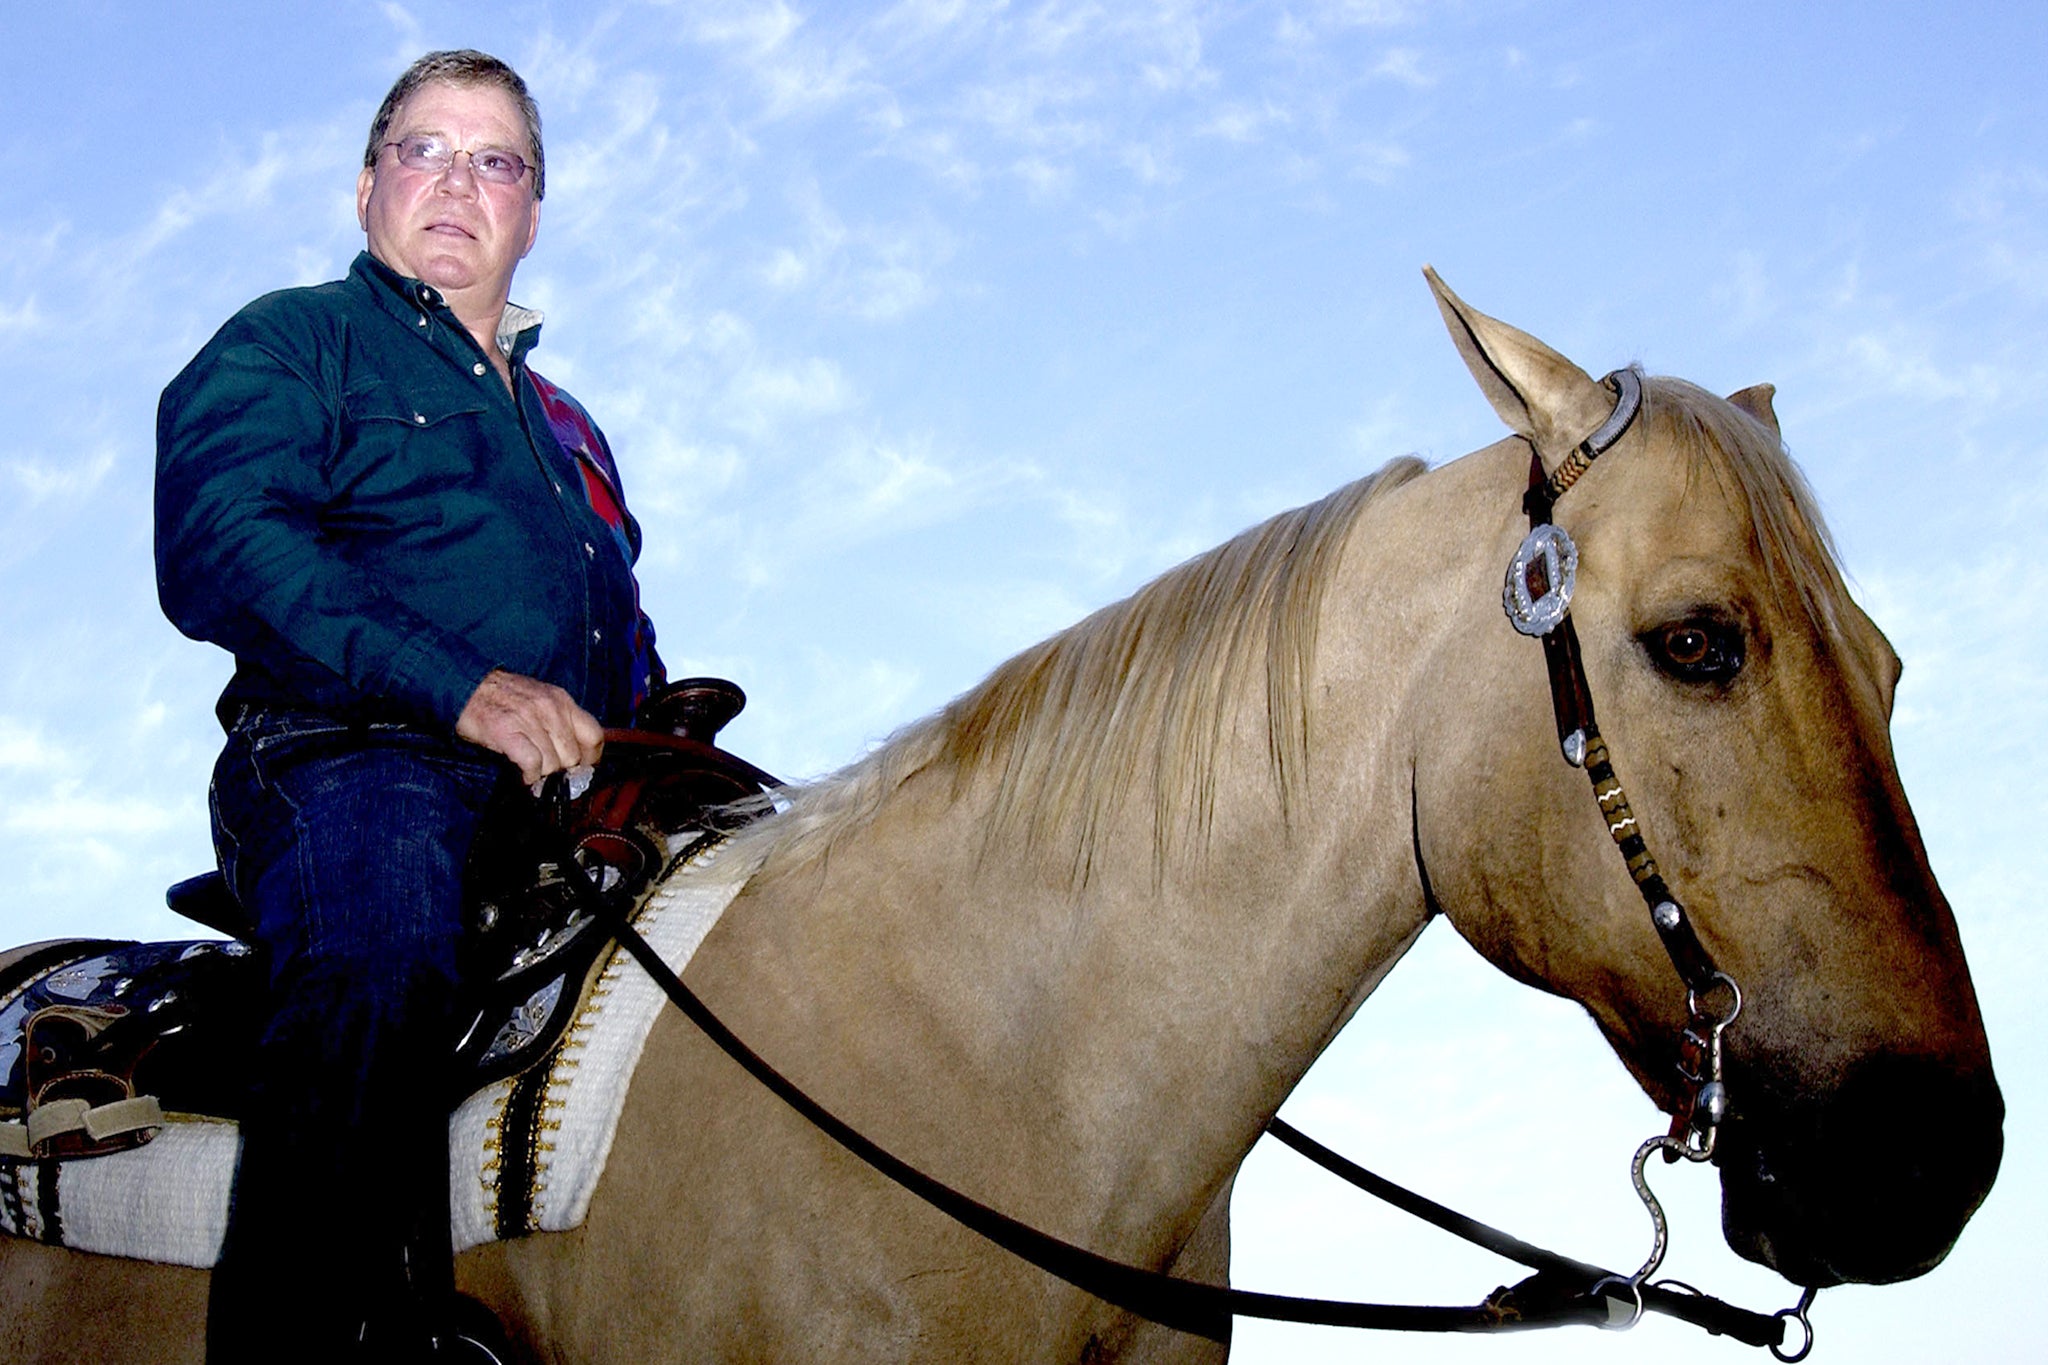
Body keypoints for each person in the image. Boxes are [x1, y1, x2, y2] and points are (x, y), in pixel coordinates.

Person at [155, 49, 661, 1362]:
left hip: (562, 797)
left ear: (533, 212)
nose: (457, 182)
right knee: (380, 943)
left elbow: (622, 632)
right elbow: (223, 542)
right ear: (366, 187)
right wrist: (461, 687)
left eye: (496, 160)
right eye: (423, 149)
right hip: (345, 757)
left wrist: (665, 741)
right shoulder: (296, 340)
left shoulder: (572, 429)